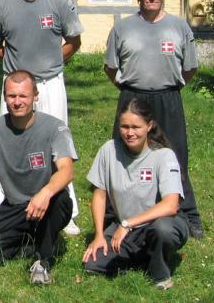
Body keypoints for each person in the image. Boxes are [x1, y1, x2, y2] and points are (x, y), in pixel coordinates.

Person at [0, 0, 83, 236]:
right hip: (14, 87)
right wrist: (17, 72)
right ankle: (1, 204)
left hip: (50, 84)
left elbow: (74, 41)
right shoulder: (0, 6)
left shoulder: (58, 3)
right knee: (8, 143)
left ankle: (67, 210)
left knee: (58, 145)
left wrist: (53, 61)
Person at [104, 0, 202, 238]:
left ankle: (186, 215)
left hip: (168, 98)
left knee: (176, 155)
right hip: (133, 97)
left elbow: (190, 68)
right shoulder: (123, 27)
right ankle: (114, 215)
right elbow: (111, 67)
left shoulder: (179, 27)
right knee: (124, 155)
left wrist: (173, 87)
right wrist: (127, 89)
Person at [0, 70, 76, 285]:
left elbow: (67, 170)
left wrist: (45, 192)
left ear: (35, 95)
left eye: (23, 96)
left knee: (58, 200)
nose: (17, 101)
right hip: (16, 207)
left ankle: (43, 261)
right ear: (4, 97)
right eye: (12, 96)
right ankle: (28, 243)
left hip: (49, 203)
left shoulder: (55, 127)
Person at [83, 98, 189, 290]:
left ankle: (160, 274)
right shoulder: (108, 150)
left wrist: (128, 224)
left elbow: (171, 205)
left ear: (149, 126)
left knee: (162, 231)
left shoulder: (164, 156)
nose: (129, 133)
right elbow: (99, 195)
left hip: (159, 223)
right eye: (124, 126)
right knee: (93, 264)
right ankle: (143, 258)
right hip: (125, 226)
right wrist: (99, 235)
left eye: (136, 127)